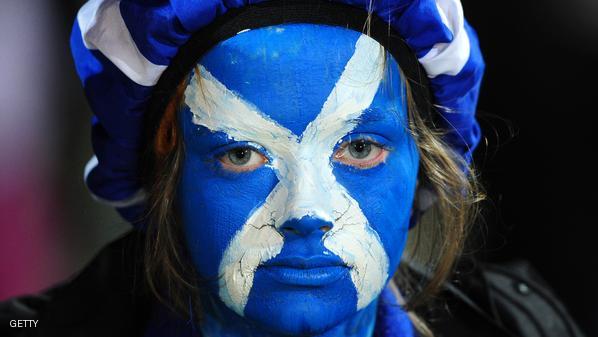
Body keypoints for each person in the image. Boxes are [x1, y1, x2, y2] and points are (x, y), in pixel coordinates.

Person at [0, 1, 586, 337]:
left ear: (425, 170)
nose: (307, 211)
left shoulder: (523, 327)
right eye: (240, 154)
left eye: (359, 149)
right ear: (165, 183)